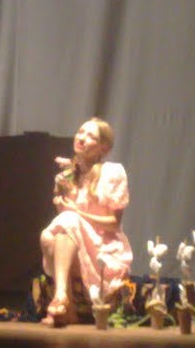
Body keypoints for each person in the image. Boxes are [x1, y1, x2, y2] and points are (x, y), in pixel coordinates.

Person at [39, 117, 132, 326]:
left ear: (103, 148)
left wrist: (76, 212)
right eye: (81, 132)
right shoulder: (69, 175)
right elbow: (64, 221)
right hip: (75, 245)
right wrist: (63, 197)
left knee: (69, 219)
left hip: (104, 248)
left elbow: (113, 224)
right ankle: (68, 307)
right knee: (47, 236)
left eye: (91, 136)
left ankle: (61, 298)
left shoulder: (112, 172)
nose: (81, 138)